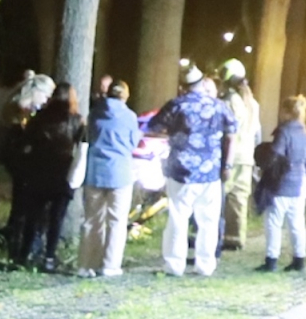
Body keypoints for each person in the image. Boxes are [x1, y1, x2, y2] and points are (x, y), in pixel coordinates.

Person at [152, 65, 235, 276]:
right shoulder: (220, 107)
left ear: (183, 86)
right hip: (211, 172)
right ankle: (206, 264)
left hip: (181, 171)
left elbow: (154, 126)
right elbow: (231, 135)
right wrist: (227, 165)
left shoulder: (177, 105)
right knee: (209, 221)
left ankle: (174, 264)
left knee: (178, 218)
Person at [9, 86, 81, 270]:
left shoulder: (39, 118)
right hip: (63, 174)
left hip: (39, 172)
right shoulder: (76, 120)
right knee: (56, 218)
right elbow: (80, 147)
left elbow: (26, 142)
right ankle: (49, 257)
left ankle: (25, 254)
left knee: (33, 216)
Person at [79, 77, 141, 277]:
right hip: (120, 173)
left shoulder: (95, 114)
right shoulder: (130, 117)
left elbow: (88, 136)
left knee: (92, 220)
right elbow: (133, 143)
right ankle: (110, 265)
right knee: (116, 221)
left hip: (95, 171)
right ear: (125, 95)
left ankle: (87, 264)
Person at [258, 95, 306, 273]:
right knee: (297, 223)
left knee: (274, 222)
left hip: (281, 183)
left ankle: (271, 259)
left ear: (286, 112)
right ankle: (299, 258)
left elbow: (275, 155)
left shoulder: (284, 132)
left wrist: (265, 167)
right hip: (299, 184)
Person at [219, 59, 260, 253]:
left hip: (229, 156)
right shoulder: (252, 102)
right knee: (239, 199)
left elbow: (225, 130)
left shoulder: (229, 101)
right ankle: (235, 238)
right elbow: (257, 133)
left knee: (219, 197)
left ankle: (215, 236)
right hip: (246, 157)